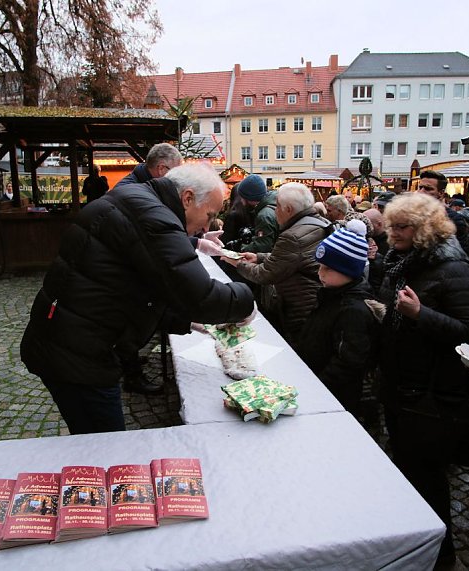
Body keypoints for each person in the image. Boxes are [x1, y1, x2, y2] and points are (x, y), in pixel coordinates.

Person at [20, 162, 255, 434]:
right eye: (209, 214)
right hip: (77, 356)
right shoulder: (154, 216)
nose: (206, 227)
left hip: (67, 342)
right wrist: (246, 302)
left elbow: (140, 286)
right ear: (188, 198)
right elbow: (200, 296)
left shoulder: (137, 200)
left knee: (92, 435)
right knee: (105, 445)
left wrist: (185, 321)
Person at [376, 192, 469, 565]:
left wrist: (420, 314)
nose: (392, 233)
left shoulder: (455, 268)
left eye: (401, 226)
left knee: (427, 478)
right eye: (390, 225)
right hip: (400, 383)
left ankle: (440, 557)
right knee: (407, 468)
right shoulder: (404, 260)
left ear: (424, 229)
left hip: (430, 392)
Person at [113, 144, 223, 394]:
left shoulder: (141, 193)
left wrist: (197, 242)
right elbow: (161, 254)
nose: (206, 225)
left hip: (99, 332)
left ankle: (128, 361)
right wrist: (239, 303)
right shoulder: (137, 197)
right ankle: (131, 374)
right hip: (88, 345)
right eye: (208, 215)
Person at [223, 183, 331, 346]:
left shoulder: (292, 236)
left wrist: (237, 263)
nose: (274, 211)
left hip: (300, 306)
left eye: (277, 207)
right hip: (317, 302)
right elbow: (293, 258)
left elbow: (265, 274)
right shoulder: (318, 222)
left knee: (298, 353)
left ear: (288, 210)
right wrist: (258, 257)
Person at [296, 220, 384, 421]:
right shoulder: (332, 294)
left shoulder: (354, 310)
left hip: (333, 397)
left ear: (349, 271)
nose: (320, 273)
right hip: (315, 382)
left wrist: (316, 385)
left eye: (328, 268)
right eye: (320, 266)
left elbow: (348, 363)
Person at [234, 175, 279, 254]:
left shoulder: (264, 216)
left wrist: (241, 247)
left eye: (242, 197)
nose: (241, 201)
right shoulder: (276, 202)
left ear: (248, 197)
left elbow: (262, 246)